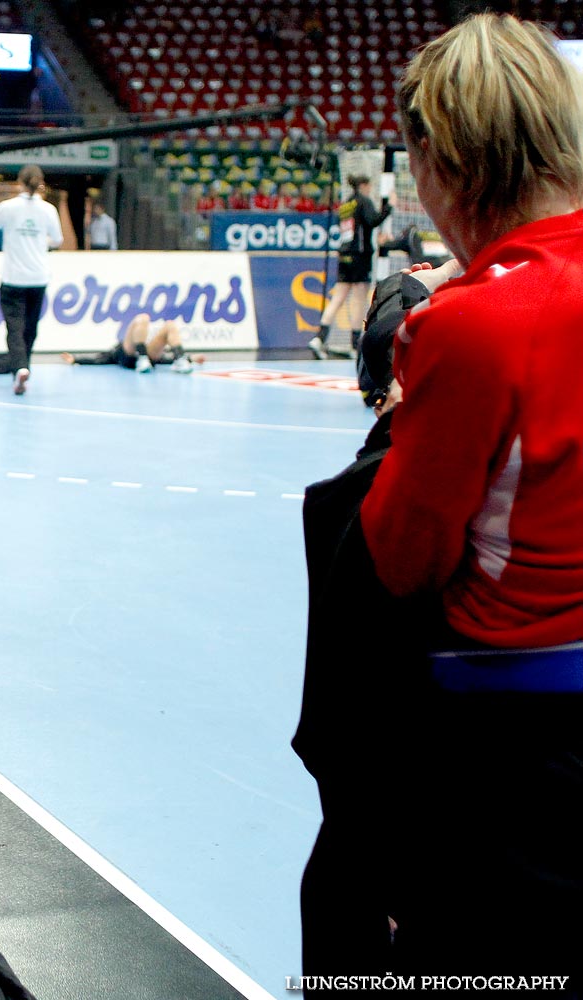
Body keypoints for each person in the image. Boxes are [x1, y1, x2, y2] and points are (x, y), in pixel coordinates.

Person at [299, 14, 583, 981]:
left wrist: (400, 400)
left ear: (440, 157)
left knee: (358, 908)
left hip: (509, 744)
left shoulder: (472, 326)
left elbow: (402, 557)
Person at [0, 164, 63, 395]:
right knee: (31, 326)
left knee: (14, 328)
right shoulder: (48, 210)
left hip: (14, 278)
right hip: (38, 277)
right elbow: (57, 240)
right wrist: (38, 242)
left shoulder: (7, 207)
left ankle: (20, 368)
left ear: (20, 182)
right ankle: (25, 365)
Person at [308, 174, 391, 359]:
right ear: (363, 185)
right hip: (359, 255)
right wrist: (389, 207)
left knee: (338, 297)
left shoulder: (345, 204)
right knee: (359, 298)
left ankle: (320, 338)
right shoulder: (363, 201)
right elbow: (373, 220)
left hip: (344, 253)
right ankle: (355, 345)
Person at [60, 314, 203, 374]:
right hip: (128, 357)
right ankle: (141, 358)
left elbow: (164, 358)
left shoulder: (149, 350)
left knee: (170, 325)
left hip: (147, 358)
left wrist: (191, 359)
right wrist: (76, 359)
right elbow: (102, 358)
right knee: (143, 318)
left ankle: (181, 359)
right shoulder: (119, 350)